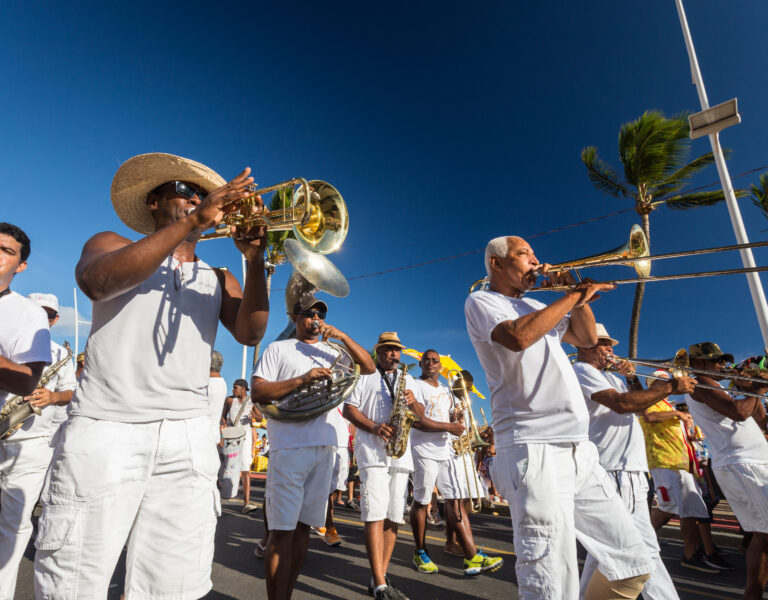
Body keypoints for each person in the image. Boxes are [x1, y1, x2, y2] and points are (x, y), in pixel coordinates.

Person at [34, 153, 270, 599]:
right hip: (107, 429)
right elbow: (97, 283)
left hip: (187, 437)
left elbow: (250, 332)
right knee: (73, 581)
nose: (197, 199)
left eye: (201, 195)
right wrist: (192, 222)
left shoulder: (218, 277)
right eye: (185, 192)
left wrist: (255, 260)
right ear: (154, 203)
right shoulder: (110, 242)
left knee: (173, 587)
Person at [464, 235, 652, 599]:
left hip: (581, 451)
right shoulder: (481, 300)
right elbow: (518, 338)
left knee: (632, 565)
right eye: (524, 255)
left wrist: (574, 292)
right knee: (550, 583)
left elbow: (585, 339)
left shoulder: (536, 303)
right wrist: (572, 296)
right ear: (496, 264)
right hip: (535, 449)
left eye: (535, 255)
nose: (535, 262)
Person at [252, 295, 374, 600]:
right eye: (309, 313)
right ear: (295, 317)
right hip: (290, 446)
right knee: (282, 532)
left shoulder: (334, 351)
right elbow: (258, 391)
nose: (316, 318)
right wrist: (304, 379)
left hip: (327, 446)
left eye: (320, 313)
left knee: (305, 528)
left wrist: (343, 337)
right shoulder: (279, 348)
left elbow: (369, 367)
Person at [572, 323, 696, 598]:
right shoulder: (582, 371)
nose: (610, 349)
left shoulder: (612, 377)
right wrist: (671, 386)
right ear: (583, 345)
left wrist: (629, 378)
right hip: (614, 468)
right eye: (604, 343)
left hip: (629, 470)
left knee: (614, 554)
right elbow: (621, 405)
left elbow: (640, 408)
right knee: (638, 551)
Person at [684, 342, 768, 600]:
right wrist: (758, 388)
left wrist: (751, 390)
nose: (723, 365)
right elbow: (738, 413)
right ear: (699, 364)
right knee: (764, 535)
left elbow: (760, 419)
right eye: (717, 361)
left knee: (763, 534)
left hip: (752, 461)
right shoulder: (699, 384)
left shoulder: (722, 388)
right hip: (742, 464)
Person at [408, 349, 503, 576]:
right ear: (421, 365)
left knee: (456, 501)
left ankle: (471, 556)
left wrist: (457, 418)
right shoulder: (414, 385)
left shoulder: (447, 391)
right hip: (424, 450)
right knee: (421, 502)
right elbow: (417, 422)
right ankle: (420, 552)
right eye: (426, 360)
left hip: (447, 452)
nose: (431, 363)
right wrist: (449, 426)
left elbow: (451, 419)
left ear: (441, 367)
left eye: (435, 361)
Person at [0, 224, 53, 600]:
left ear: (20, 266)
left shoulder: (27, 314)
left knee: (9, 532)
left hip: (16, 441)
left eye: (5, 250)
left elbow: (25, 382)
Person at [638, 369, 727, 573]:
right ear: (652, 384)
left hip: (682, 464)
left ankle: (692, 554)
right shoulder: (651, 400)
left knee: (693, 509)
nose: (669, 382)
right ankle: (637, 543)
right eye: (663, 380)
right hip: (664, 462)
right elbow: (649, 417)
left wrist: (691, 436)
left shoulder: (667, 404)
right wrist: (678, 414)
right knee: (670, 507)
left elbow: (676, 436)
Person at [222, 378, 262, 513]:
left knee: (245, 470)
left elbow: (261, 417)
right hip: (232, 436)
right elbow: (222, 416)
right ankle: (220, 495)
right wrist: (223, 428)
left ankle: (246, 504)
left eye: (235, 387)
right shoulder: (229, 400)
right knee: (226, 467)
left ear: (243, 388)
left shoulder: (252, 401)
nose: (233, 390)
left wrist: (254, 416)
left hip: (246, 438)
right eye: (233, 387)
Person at [314, 406, 352, 547]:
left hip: (344, 446)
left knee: (338, 488)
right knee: (328, 489)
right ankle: (329, 528)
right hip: (328, 443)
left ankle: (318, 516)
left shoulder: (349, 392)